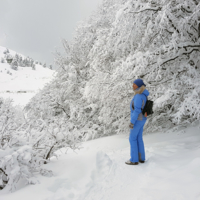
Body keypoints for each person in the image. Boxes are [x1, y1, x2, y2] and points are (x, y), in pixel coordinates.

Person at [125, 79, 149, 165]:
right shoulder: (143, 95)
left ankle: (134, 160)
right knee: (139, 138)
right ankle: (141, 158)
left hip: (137, 120)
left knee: (132, 138)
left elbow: (137, 110)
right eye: (133, 84)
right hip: (142, 119)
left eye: (134, 84)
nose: (133, 86)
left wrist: (132, 122)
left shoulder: (139, 96)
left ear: (139, 85)